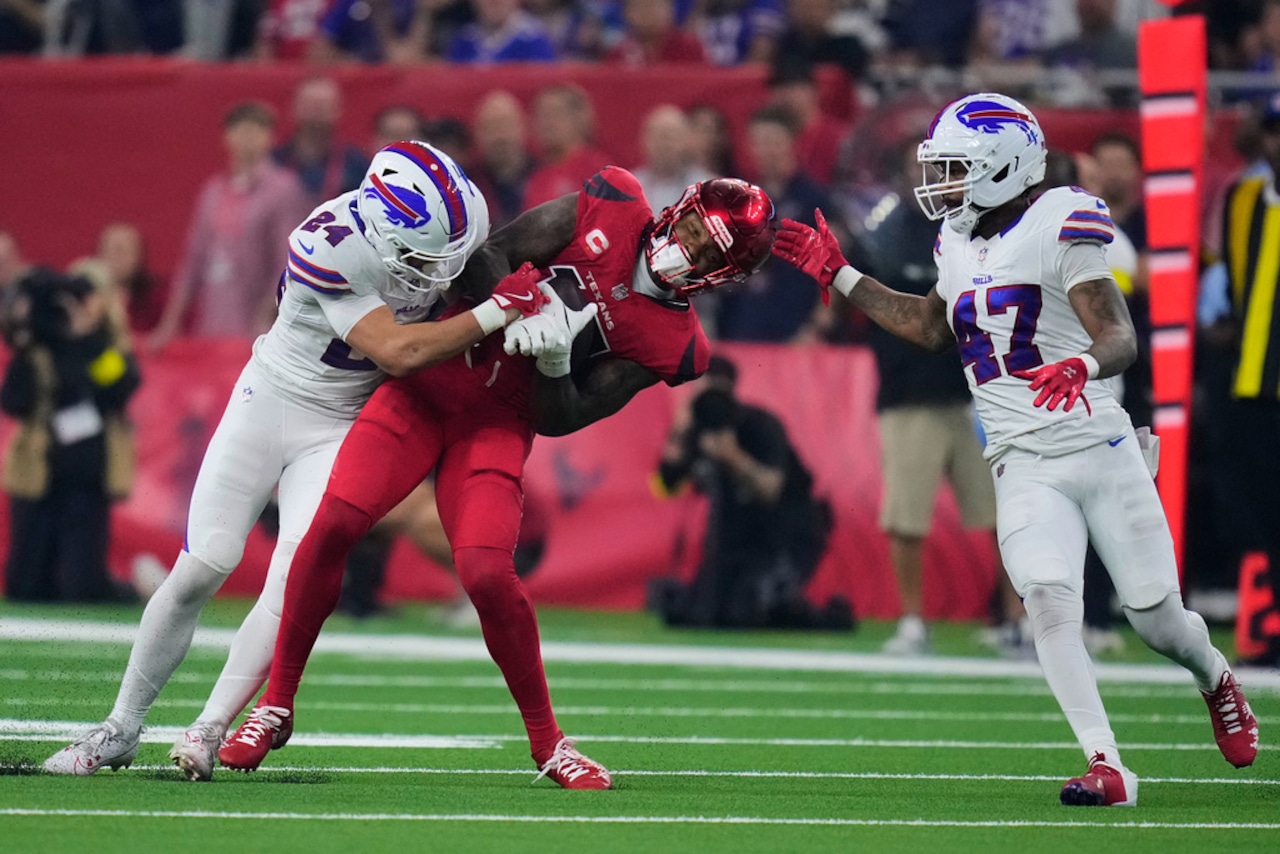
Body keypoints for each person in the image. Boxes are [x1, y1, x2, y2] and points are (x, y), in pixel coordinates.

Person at [215, 168, 778, 789]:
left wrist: (557, 361)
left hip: (498, 424)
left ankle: (549, 744)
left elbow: (560, 418)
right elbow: (491, 255)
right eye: (694, 228)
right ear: (684, 207)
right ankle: (277, 704)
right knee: (335, 522)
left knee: (487, 571)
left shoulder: (677, 344)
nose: (687, 246)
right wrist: (520, 305)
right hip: (425, 391)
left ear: (722, 276)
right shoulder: (611, 204)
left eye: (706, 251)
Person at [771, 92, 1259, 806]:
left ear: (1003, 164)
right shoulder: (956, 240)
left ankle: (1214, 677)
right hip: (1021, 456)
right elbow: (933, 328)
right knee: (1046, 598)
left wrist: (1084, 365)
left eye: (955, 168)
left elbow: (1118, 334)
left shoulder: (1061, 217)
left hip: (1097, 443)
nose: (940, 184)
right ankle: (1108, 765)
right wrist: (845, 277)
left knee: (1157, 618)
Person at [43, 140, 545, 779]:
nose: (438, 271)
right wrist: (499, 308)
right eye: (422, 257)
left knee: (294, 575)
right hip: (273, 399)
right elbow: (398, 351)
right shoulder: (329, 241)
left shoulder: (451, 219)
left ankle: (208, 728)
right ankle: (119, 728)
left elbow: (498, 259)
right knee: (203, 565)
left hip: (340, 424)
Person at [862, 144, 1017, 657]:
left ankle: (1017, 620)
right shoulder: (884, 232)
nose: (929, 178)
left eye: (941, 170)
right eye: (921, 168)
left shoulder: (976, 229)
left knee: (1006, 514)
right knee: (907, 516)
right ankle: (912, 621)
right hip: (910, 395)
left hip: (980, 394)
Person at [648, 354, 841, 630]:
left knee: (752, 611)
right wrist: (680, 430)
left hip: (786, 535)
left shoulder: (760, 425)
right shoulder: (696, 431)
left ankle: (824, 614)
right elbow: (667, 484)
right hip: (735, 542)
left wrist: (733, 457)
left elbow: (770, 491)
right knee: (700, 614)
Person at [1, 267, 141, 603]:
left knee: (83, 588)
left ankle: (138, 589)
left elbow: (119, 384)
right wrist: (28, 339)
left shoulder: (104, 348)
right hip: (39, 472)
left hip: (85, 474)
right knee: (25, 587)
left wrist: (86, 338)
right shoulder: (36, 353)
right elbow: (14, 400)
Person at [148, 101, 310, 350]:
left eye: (256, 131)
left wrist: (266, 317)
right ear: (227, 138)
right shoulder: (213, 192)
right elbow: (193, 260)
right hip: (213, 325)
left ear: (270, 138)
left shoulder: (284, 190)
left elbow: (287, 261)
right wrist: (169, 324)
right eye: (241, 131)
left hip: (259, 329)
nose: (247, 139)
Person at [1214, 93, 1280, 666]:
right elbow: (1232, 279)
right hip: (1253, 386)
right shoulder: (1243, 197)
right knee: (1264, 512)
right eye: (1275, 131)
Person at [273, 77, 370, 208]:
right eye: (310, 105)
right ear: (293, 107)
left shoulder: (356, 165)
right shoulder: (274, 162)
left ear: (338, 110)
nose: (315, 114)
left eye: (322, 107)